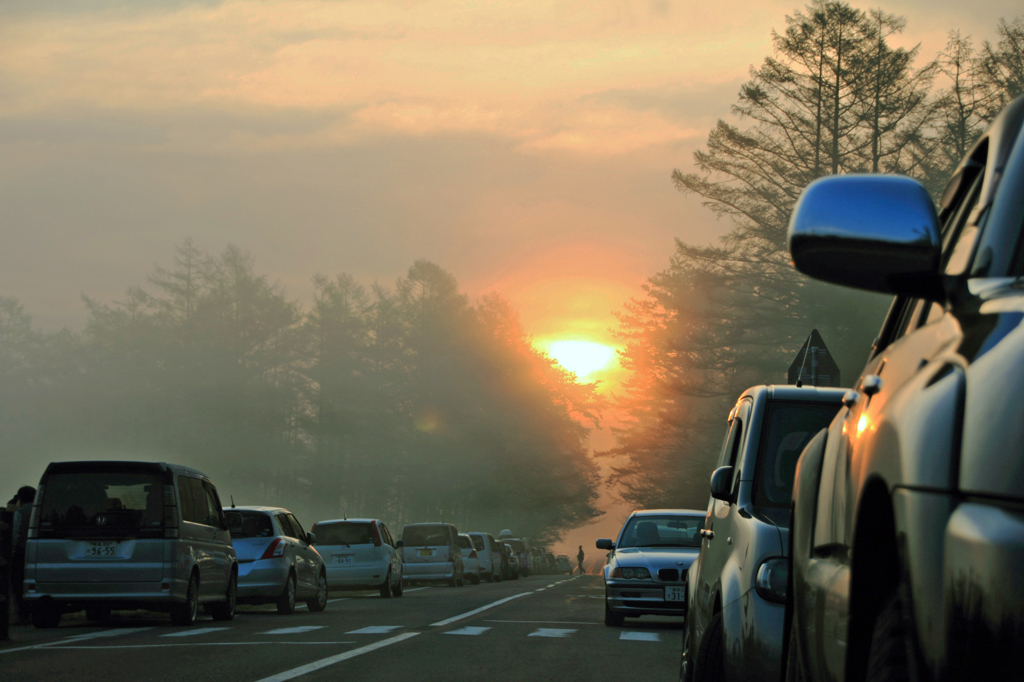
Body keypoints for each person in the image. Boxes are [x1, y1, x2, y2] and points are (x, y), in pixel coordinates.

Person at [11, 486, 37, 624]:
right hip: (38, 552)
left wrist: (12, 552)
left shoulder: (20, 512)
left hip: (22, 553)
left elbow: (16, 534)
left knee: (18, 584)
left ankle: (23, 614)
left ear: (20, 498)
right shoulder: (40, 509)